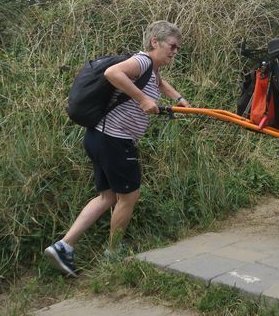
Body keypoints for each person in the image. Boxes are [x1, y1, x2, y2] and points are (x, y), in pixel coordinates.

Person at [44, 21, 191, 277]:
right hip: (115, 140)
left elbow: (160, 83)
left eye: (177, 48)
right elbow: (113, 73)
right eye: (172, 46)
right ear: (155, 42)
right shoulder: (143, 61)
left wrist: (178, 100)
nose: (175, 52)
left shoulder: (151, 69)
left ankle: (63, 246)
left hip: (99, 138)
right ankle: (113, 255)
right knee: (129, 197)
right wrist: (143, 99)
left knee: (108, 197)